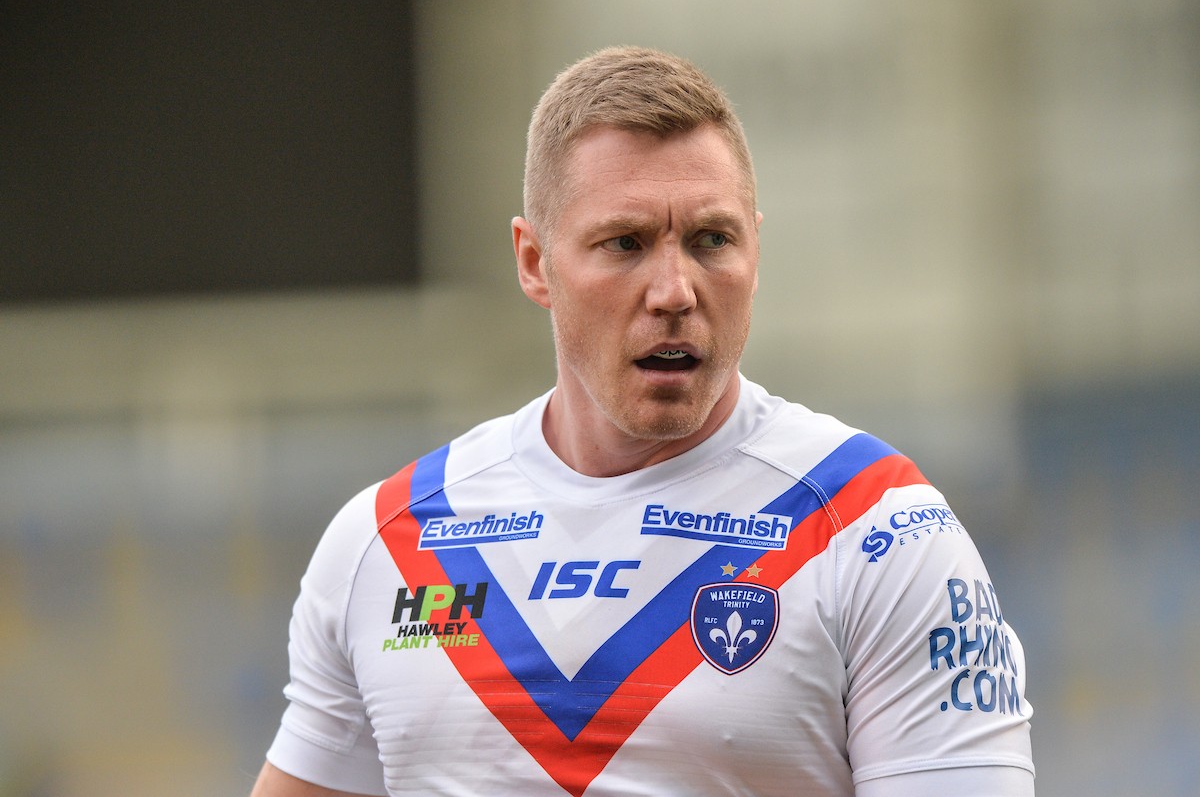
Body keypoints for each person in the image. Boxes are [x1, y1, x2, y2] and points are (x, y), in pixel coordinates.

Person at [251, 46, 1034, 796]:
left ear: (757, 250)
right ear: (534, 263)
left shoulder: (877, 528)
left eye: (710, 240)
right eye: (624, 243)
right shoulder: (390, 541)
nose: (674, 290)